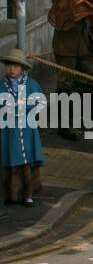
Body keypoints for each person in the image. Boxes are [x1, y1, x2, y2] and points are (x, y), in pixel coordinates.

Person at [1, 49, 44, 207]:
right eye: (9, 65)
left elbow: (40, 103)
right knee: (9, 159)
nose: (12, 69)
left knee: (27, 161)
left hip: (26, 129)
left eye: (16, 66)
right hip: (8, 130)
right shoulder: (1, 85)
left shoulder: (32, 85)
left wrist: (25, 108)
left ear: (22, 68)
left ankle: (28, 195)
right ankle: (11, 195)